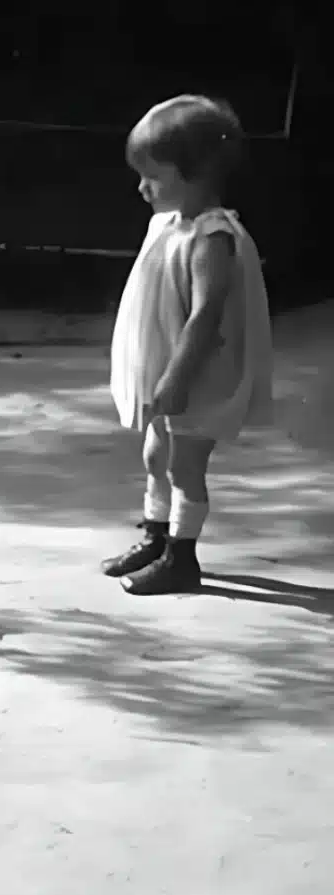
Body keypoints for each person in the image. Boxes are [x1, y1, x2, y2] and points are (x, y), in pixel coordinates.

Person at [102, 94, 273, 595]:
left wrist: (177, 377)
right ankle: (156, 534)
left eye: (153, 176)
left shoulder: (213, 238)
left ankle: (183, 557)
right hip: (169, 368)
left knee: (184, 465)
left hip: (200, 375)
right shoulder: (168, 225)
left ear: (195, 173)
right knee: (156, 454)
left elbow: (205, 315)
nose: (141, 187)